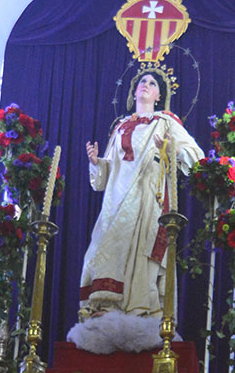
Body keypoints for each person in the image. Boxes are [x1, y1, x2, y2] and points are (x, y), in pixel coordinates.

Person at [67, 67, 203, 354]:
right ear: (134, 90)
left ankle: (141, 311)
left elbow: (195, 156)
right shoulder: (121, 126)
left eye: (152, 83)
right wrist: (96, 163)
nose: (146, 85)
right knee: (102, 251)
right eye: (142, 81)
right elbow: (104, 177)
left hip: (147, 199)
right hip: (115, 201)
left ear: (158, 95)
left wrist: (170, 149)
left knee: (141, 254)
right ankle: (106, 309)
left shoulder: (166, 122)